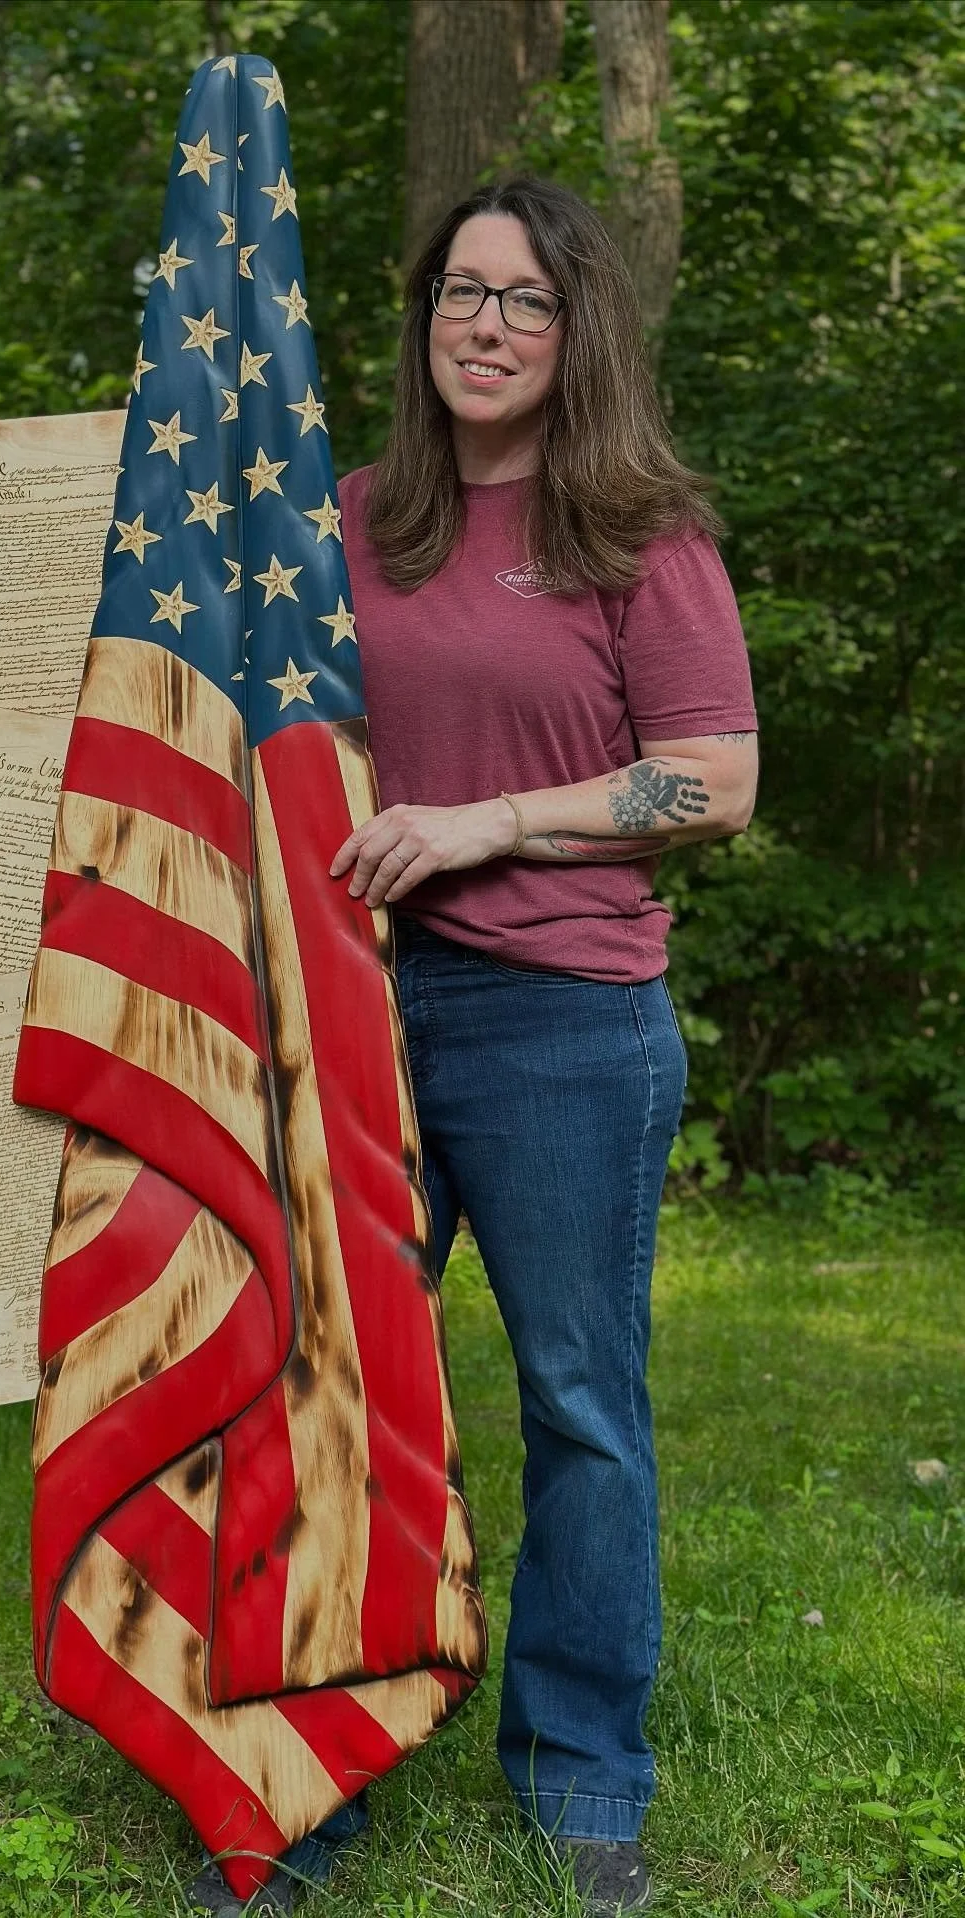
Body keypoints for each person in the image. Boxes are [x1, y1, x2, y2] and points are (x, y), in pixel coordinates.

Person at [323, 177, 759, 1915]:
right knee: (335, 1392)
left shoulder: (637, 534)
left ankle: (580, 1773)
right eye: (458, 293)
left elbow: (714, 780)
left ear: (578, 334)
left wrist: (488, 818)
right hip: (351, 1004)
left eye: (522, 301)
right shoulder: (356, 517)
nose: (484, 325)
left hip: (564, 1019)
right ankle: (308, 1763)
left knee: (581, 1406)